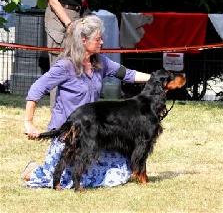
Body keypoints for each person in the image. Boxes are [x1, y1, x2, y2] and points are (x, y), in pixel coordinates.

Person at [21, 15, 151, 189]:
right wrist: (28, 123)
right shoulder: (65, 66)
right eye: (97, 39)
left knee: (120, 172)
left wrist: (156, 80)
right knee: (66, 179)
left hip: (92, 132)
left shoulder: (100, 62)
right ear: (83, 40)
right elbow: (36, 90)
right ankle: (35, 171)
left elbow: (127, 74)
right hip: (68, 133)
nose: (102, 42)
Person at [43, 0, 88, 108]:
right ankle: (58, 112)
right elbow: (54, 2)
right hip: (60, 18)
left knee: (78, 63)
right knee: (59, 65)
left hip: (77, 15)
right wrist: (69, 23)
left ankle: (75, 108)